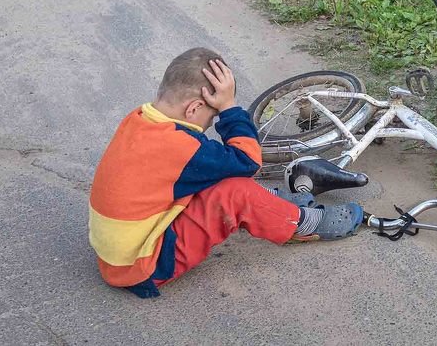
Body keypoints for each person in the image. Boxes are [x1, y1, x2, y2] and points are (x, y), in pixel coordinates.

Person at [88, 47, 363, 298]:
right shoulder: (181, 147)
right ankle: (303, 224)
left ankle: (269, 203)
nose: (211, 123)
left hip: (118, 257)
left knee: (212, 169)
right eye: (211, 116)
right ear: (194, 108)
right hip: (144, 267)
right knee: (235, 191)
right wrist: (229, 108)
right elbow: (249, 161)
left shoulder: (140, 120)